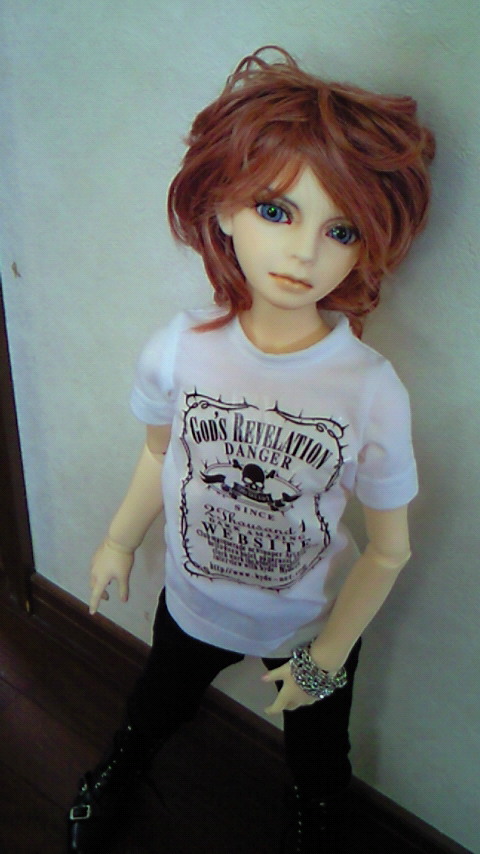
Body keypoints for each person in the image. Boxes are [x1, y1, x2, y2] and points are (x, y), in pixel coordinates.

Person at [68, 46, 434, 853]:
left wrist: (326, 656)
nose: (304, 253)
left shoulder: (371, 390)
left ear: (367, 242)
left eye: (340, 229)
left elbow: (390, 549)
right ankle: (121, 769)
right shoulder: (179, 349)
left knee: (319, 757)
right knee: (154, 706)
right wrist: (118, 539)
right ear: (223, 209)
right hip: (194, 600)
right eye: (276, 210)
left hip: (308, 624)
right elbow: (158, 453)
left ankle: (316, 819)